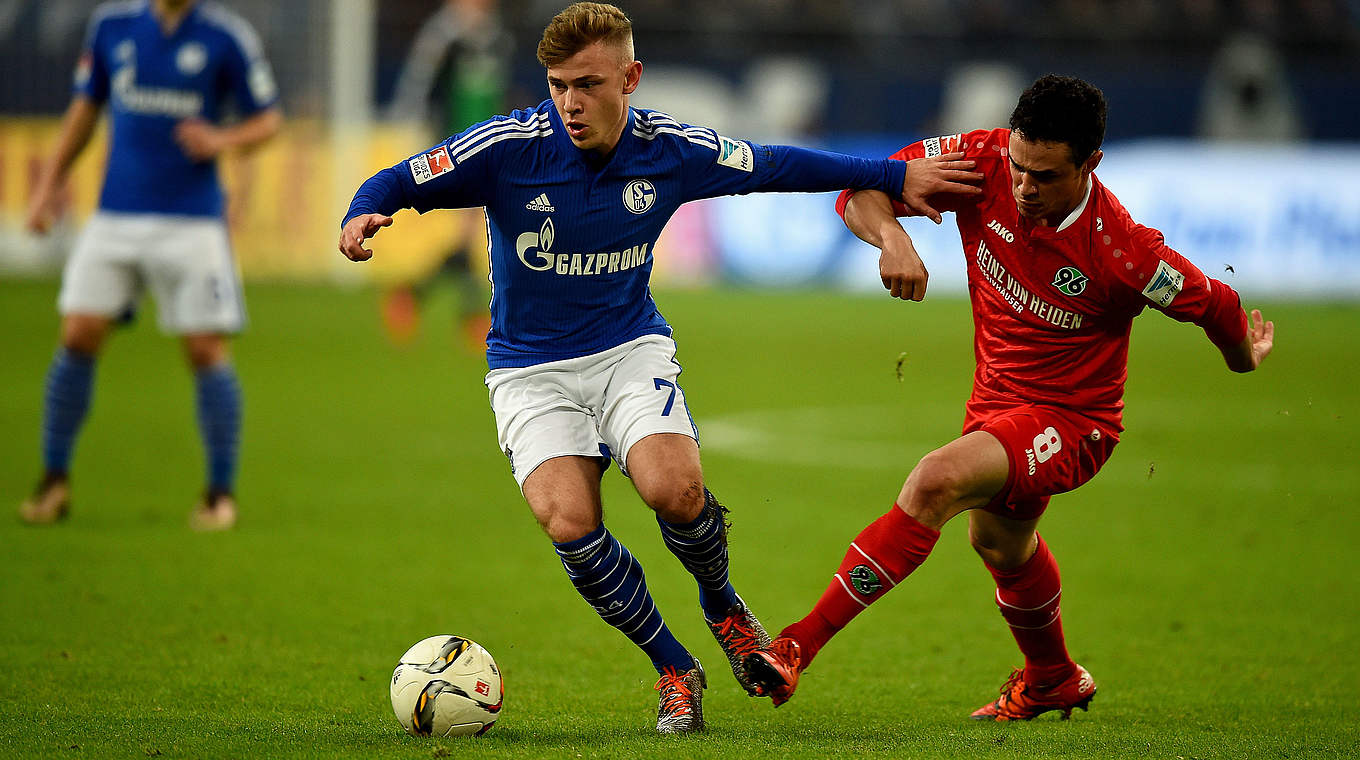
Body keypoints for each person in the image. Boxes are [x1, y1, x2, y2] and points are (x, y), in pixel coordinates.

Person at [339, 2, 981, 735]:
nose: (571, 102)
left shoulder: (671, 150)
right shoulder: (508, 147)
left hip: (625, 349)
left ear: (630, 77)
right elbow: (399, 178)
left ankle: (723, 606)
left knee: (674, 491)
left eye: (587, 83)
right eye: (557, 85)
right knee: (569, 522)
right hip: (529, 369)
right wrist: (363, 213)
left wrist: (894, 175)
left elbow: (778, 165)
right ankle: (675, 669)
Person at [743, 74, 1275, 720]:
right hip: (995, 405)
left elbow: (1213, 303)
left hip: (1075, 423)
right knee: (1000, 545)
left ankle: (796, 645)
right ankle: (1053, 676)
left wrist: (1244, 357)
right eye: (1020, 166)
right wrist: (894, 237)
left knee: (935, 480)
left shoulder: (1123, 251)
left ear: (1091, 165)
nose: (1023, 187)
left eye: (1045, 176)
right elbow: (863, 192)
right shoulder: (980, 162)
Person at [20, 0, 282, 531]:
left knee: (206, 349)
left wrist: (220, 139)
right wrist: (49, 185)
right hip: (116, 215)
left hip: (192, 222)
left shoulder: (224, 35)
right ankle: (53, 482)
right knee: (77, 333)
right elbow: (84, 110)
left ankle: (218, 493)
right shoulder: (111, 27)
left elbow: (269, 120)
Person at [380, 0, 512, 349]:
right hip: (453, 147)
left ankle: (411, 297)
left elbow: (496, 92)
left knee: (468, 236)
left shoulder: (496, 37)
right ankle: (472, 317)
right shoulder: (444, 35)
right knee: (472, 230)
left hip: (488, 143)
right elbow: (420, 86)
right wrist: (421, 139)